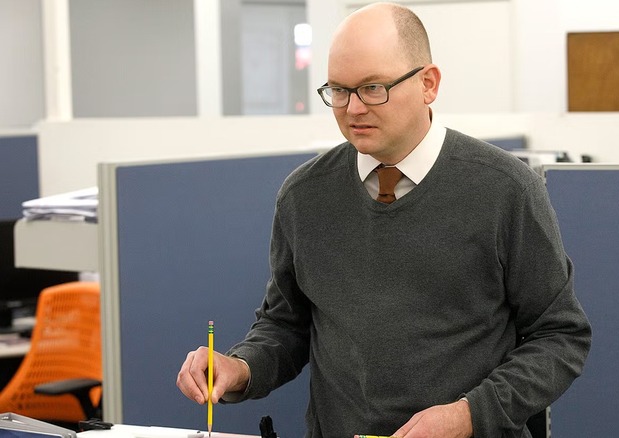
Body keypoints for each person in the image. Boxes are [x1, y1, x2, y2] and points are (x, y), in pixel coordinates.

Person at [177, 3, 591, 437]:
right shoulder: (304, 195)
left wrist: (469, 415)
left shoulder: (505, 188)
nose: (353, 108)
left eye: (373, 87)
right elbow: (287, 324)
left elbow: (560, 336)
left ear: (428, 84)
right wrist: (239, 367)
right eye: (339, 90)